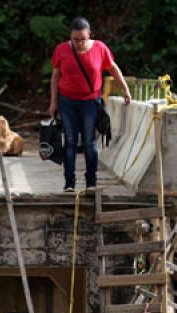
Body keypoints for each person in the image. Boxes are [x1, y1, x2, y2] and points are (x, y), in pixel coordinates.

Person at [46, 16, 133, 192]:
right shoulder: (61, 50)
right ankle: (69, 182)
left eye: (82, 39)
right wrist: (53, 102)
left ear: (90, 35)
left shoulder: (100, 48)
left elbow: (112, 68)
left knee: (89, 142)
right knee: (70, 141)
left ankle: (91, 182)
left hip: (90, 102)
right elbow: (55, 76)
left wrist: (125, 88)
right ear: (70, 36)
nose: (78, 43)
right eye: (75, 39)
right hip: (67, 102)